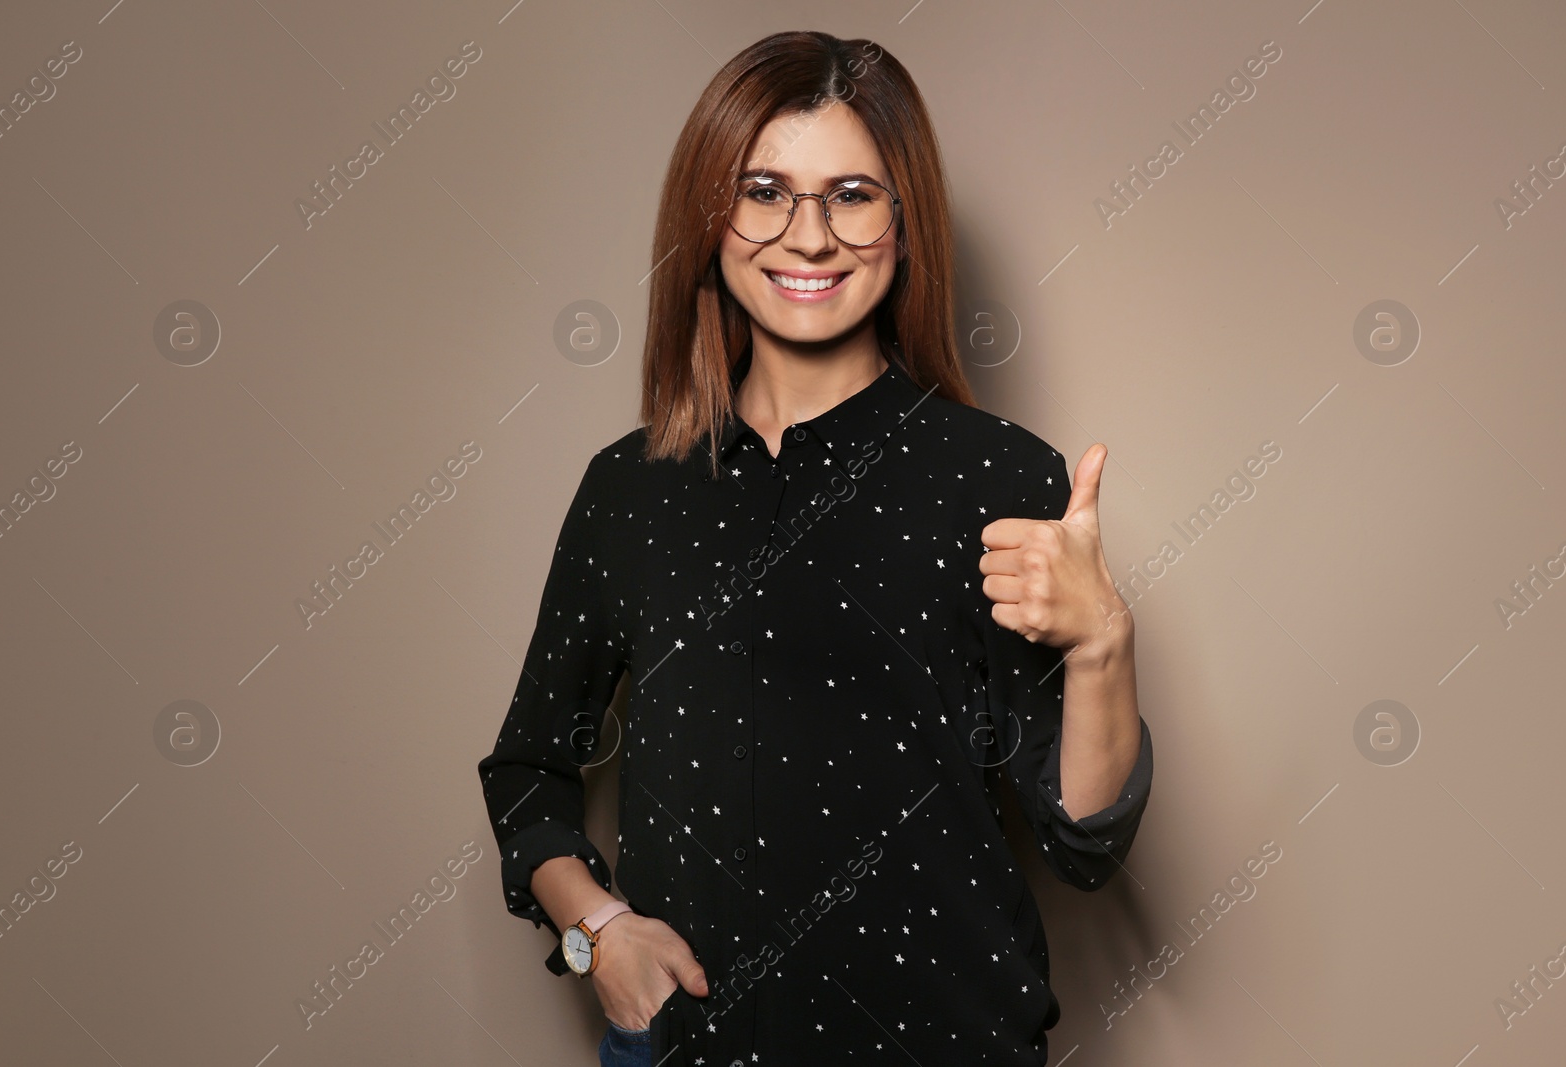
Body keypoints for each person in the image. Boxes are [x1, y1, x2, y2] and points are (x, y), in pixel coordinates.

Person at [477, 30, 1153, 1067]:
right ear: (710, 218)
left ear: (904, 221)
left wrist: (1103, 641)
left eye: (851, 194)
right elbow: (527, 769)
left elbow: (1085, 844)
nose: (807, 236)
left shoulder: (999, 478)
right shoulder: (629, 488)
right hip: (687, 1049)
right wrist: (596, 932)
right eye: (763, 190)